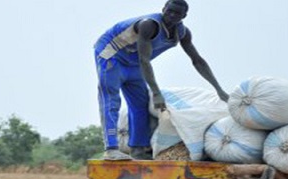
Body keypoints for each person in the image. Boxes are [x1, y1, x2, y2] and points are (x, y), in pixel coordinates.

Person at [94, 0, 229, 160]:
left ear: (184, 16)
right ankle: (111, 149)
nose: (172, 16)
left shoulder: (182, 33)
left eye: (177, 14)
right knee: (111, 100)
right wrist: (157, 93)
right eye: (169, 11)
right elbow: (145, 60)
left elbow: (197, 60)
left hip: (133, 63)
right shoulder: (149, 25)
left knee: (140, 104)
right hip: (112, 56)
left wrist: (219, 89)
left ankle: (138, 150)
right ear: (163, 9)